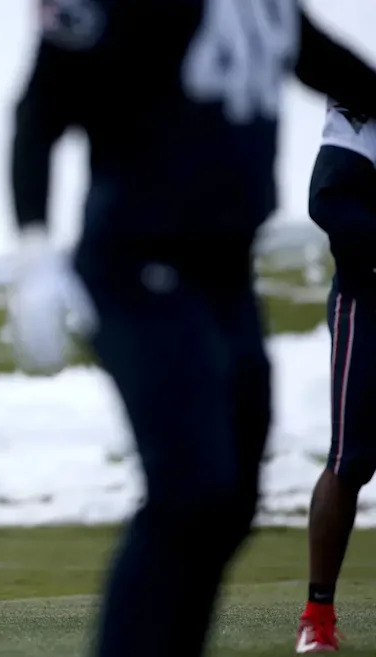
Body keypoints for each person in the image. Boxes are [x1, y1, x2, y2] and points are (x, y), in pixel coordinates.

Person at [5, 1, 376, 655]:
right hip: (137, 262)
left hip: (225, 274)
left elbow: (338, 69)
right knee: (190, 484)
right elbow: (41, 109)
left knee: (231, 498)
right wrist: (33, 247)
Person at [295, 98, 376, 652]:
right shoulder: (360, 94)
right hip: (368, 297)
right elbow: (327, 199)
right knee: (351, 458)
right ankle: (316, 618)